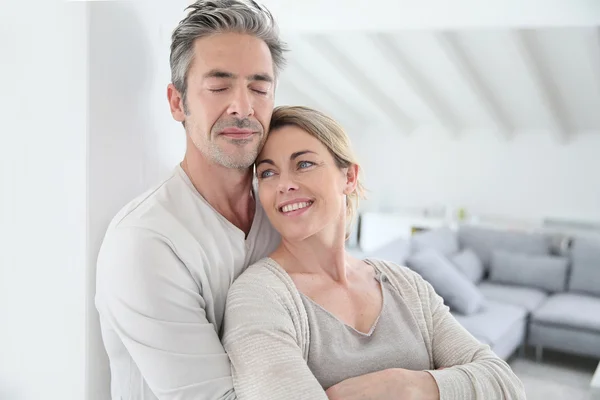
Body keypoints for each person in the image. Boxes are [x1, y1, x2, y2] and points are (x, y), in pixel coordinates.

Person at [222, 105, 527, 400]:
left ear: (349, 177)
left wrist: (411, 387)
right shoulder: (258, 297)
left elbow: (506, 385)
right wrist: (451, 386)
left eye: (304, 164)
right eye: (267, 173)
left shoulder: (407, 286)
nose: (284, 184)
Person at [95, 1, 286, 399]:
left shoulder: (283, 217)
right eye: (219, 87)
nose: (242, 107)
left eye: (259, 88)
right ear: (177, 102)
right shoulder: (147, 241)